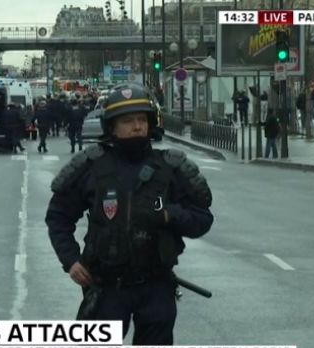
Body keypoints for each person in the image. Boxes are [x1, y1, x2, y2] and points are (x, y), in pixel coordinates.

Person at [45, 84, 214, 345]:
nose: (136, 127)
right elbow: (58, 216)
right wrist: (70, 260)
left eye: (141, 120)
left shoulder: (169, 168)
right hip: (107, 288)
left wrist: (170, 215)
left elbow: (202, 219)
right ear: (111, 126)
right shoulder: (93, 167)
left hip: (156, 286)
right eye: (127, 121)